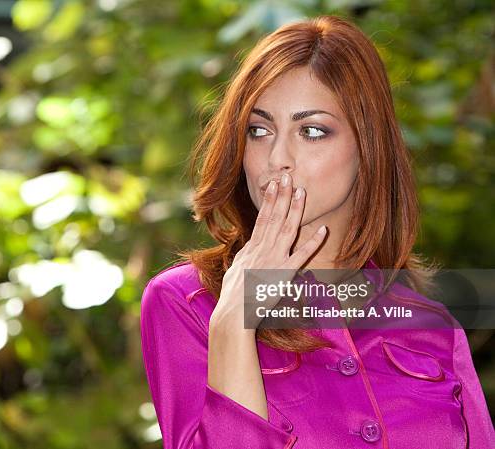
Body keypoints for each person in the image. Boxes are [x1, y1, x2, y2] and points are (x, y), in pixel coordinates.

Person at [139, 14, 494, 449]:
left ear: (367, 146)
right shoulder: (185, 302)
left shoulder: (432, 325)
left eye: (311, 131)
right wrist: (233, 320)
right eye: (259, 130)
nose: (278, 158)